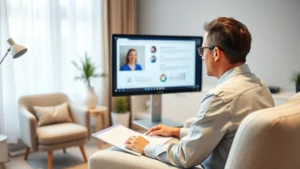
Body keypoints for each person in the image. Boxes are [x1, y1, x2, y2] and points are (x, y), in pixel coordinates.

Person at [124, 17, 275, 169]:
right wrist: (177, 131)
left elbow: (185, 157)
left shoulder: (221, 97)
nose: (202, 56)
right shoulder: (260, 85)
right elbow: (225, 134)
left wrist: (146, 147)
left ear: (216, 53)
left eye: (203, 50)